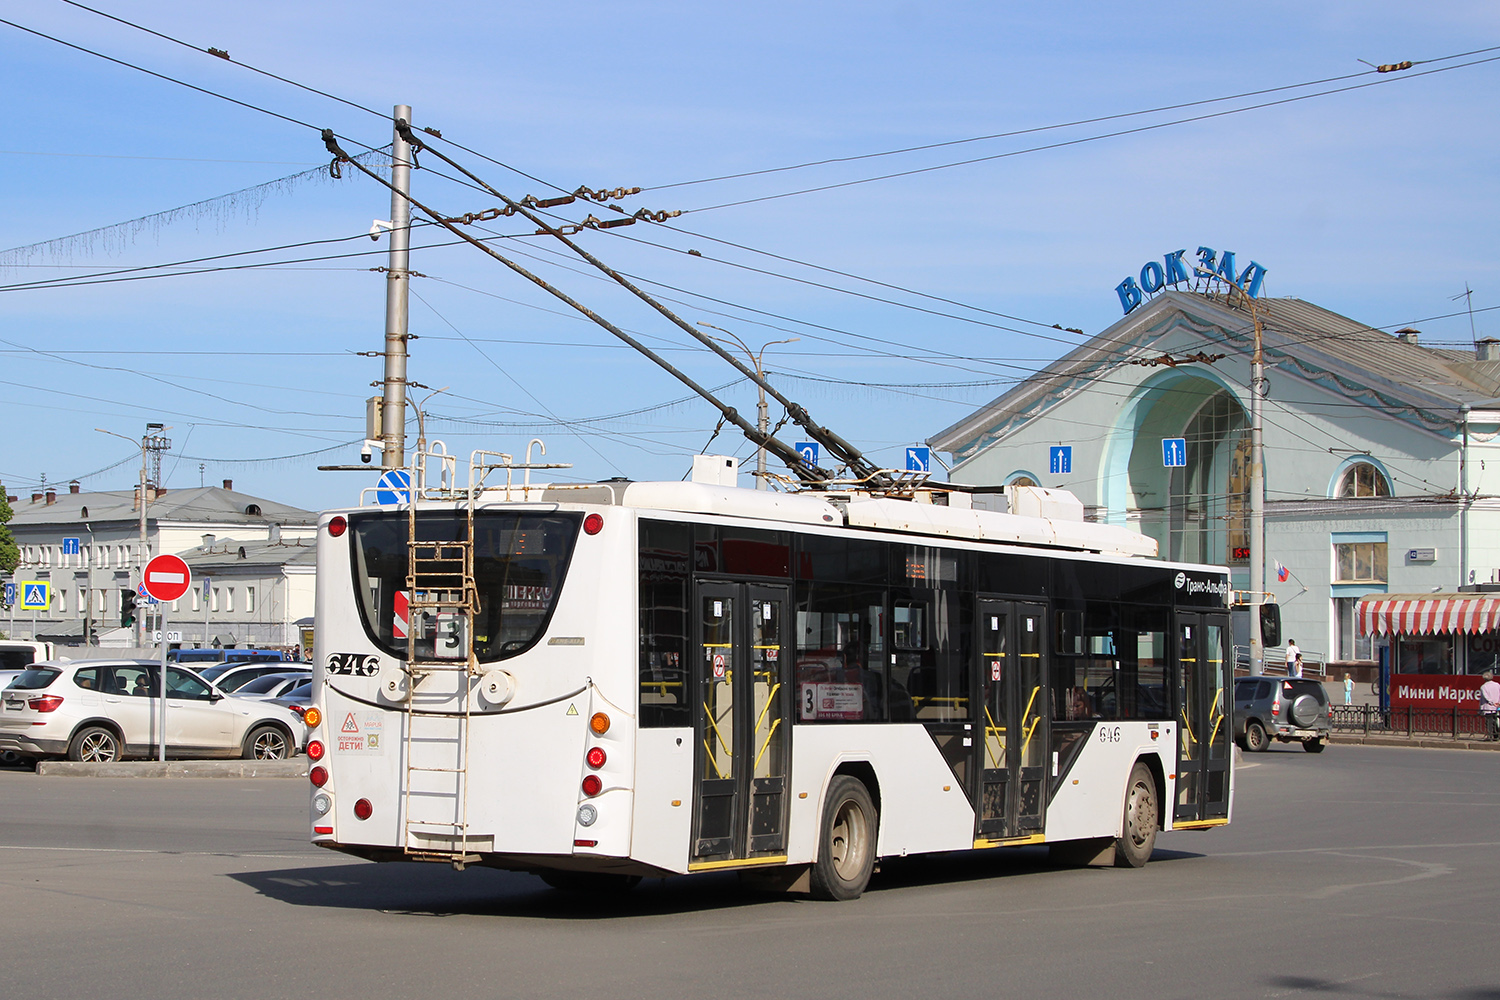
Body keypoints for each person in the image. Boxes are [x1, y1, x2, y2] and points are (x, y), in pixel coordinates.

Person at [1479, 670, 1500, 742]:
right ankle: (1496, 735)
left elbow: (1486, 697)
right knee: (1495, 720)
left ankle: (1491, 736)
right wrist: (1498, 702)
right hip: (1497, 706)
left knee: (1489, 722)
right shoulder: (1497, 684)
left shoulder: (1484, 687)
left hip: (1488, 707)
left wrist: (1492, 702)